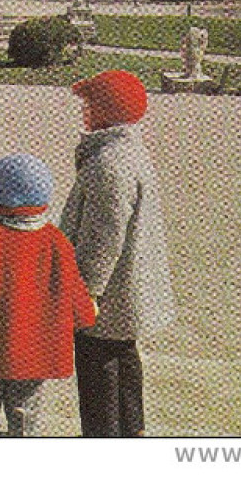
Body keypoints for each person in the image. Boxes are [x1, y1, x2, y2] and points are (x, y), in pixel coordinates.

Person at [0, 154, 97, 436]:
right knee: (25, 419)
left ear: (8, 197)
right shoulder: (56, 242)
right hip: (34, 356)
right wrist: (86, 314)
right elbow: (75, 294)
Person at [59, 70, 177, 437]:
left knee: (98, 369)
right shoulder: (129, 152)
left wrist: (87, 291)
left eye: (89, 105)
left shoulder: (110, 164)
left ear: (107, 111)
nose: (84, 112)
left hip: (110, 294)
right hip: (128, 287)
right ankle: (132, 431)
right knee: (124, 360)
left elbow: (102, 237)